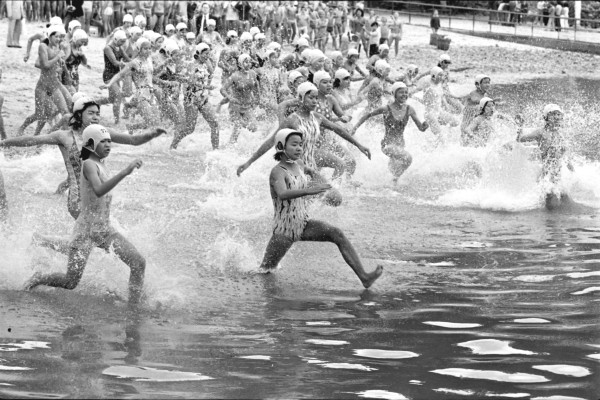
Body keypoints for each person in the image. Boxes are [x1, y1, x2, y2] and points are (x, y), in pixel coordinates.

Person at [23, 124, 147, 305]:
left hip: (105, 230)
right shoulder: (89, 164)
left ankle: (133, 307)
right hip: (86, 232)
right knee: (70, 281)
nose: (108, 145)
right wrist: (126, 171)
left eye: (109, 141)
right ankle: (39, 277)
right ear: (90, 143)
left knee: (138, 263)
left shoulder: (101, 163)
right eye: (102, 141)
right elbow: (98, 190)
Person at [0, 98, 166, 222]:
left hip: (100, 194)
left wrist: (152, 133)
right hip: (78, 199)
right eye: (91, 113)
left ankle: (43, 243)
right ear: (79, 115)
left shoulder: (103, 132)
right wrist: (4, 143)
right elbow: (33, 140)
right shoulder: (64, 136)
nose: (96, 117)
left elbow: (133, 140)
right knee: (97, 238)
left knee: (91, 241)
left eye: (97, 114)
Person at [258, 128, 383, 287]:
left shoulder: (299, 164)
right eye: (294, 145)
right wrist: (308, 191)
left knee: (337, 234)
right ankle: (268, 305)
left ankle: (364, 277)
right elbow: (282, 193)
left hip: (303, 224)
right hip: (283, 231)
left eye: (301, 145)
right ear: (281, 146)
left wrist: (325, 185)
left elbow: (311, 172)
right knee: (265, 271)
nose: (299, 148)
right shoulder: (277, 172)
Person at [237, 81, 371, 206]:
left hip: (311, 168)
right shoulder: (292, 120)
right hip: (296, 169)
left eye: (316, 98)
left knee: (335, 198)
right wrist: (249, 162)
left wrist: (359, 145)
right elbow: (272, 141)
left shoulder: (317, 117)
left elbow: (338, 129)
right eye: (311, 98)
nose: (315, 101)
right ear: (301, 98)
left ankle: (304, 209)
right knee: (309, 202)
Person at [352, 82, 429, 183]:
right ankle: (395, 179)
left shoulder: (409, 109)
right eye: (401, 92)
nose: (404, 95)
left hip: (400, 144)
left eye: (406, 92)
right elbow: (367, 116)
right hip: (387, 144)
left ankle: (384, 182)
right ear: (394, 93)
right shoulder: (386, 109)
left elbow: (421, 128)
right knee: (408, 158)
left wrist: (425, 125)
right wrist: (354, 128)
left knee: (393, 169)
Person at [17, 24, 73, 137]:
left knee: (65, 113)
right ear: (50, 35)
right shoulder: (43, 46)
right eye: (56, 36)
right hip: (42, 86)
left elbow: (56, 64)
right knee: (39, 115)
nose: (58, 39)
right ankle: (22, 127)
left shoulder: (58, 47)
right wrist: (57, 58)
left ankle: (48, 136)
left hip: (54, 85)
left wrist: (61, 66)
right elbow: (45, 65)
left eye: (60, 37)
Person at [516, 104, 573, 209]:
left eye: (558, 115)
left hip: (557, 176)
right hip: (546, 178)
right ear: (546, 117)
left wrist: (571, 168)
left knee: (566, 203)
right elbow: (520, 140)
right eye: (554, 115)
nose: (557, 118)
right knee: (551, 206)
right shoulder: (540, 132)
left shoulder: (559, 134)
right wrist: (520, 127)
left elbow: (563, 155)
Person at [171, 43, 220, 150]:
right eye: (205, 54)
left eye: (209, 54)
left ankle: (216, 150)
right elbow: (190, 81)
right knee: (189, 129)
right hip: (191, 100)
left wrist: (208, 60)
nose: (208, 56)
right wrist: (206, 86)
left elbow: (212, 72)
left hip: (203, 99)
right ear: (198, 53)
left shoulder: (205, 65)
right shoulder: (191, 65)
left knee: (215, 124)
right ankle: (173, 144)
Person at [220, 53, 259, 144]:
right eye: (246, 62)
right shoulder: (235, 76)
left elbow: (256, 86)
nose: (248, 64)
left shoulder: (253, 73)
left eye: (249, 62)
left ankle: (240, 128)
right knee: (237, 129)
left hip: (248, 105)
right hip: (236, 106)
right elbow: (223, 89)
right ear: (240, 64)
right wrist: (230, 98)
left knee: (254, 128)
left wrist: (257, 98)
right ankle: (230, 148)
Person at [423, 66, 458, 137]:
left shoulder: (439, 86)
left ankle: (447, 135)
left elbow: (442, 99)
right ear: (434, 75)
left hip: (439, 112)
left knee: (455, 122)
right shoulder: (428, 86)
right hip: (430, 114)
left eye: (442, 75)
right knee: (440, 136)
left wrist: (448, 109)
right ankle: (430, 128)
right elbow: (424, 99)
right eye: (439, 75)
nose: (441, 77)